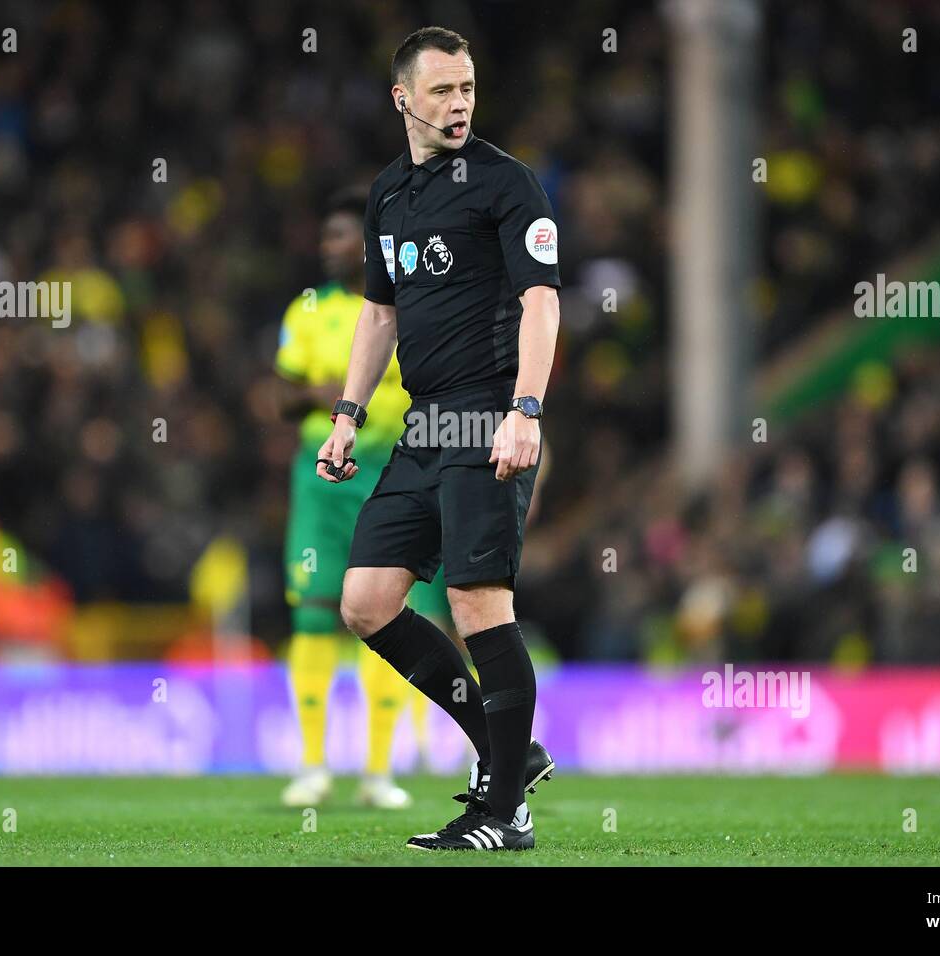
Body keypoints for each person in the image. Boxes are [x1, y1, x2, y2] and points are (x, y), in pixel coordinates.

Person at [317, 27, 559, 850]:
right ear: (402, 99)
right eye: (442, 91)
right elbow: (379, 315)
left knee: (476, 601)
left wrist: (526, 408)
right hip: (424, 422)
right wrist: (347, 416)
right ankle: (509, 752)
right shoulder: (386, 196)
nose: (458, 105)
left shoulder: (506, 184)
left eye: (467, 90)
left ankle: (504, 812)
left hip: (489, 410)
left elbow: (541, 302)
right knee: (366, 602)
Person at [275, 189, 452, 809]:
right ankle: (313, 765)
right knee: (315, 610)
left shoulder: (409, 307)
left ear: (371, 243)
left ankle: (379, 770)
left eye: (341, 236)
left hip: (392, 468)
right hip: (322, 477)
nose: (329, 248)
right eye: (325, 237)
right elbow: (280, 398)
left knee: (389, 616)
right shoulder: (307, 311)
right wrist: (320, 394)